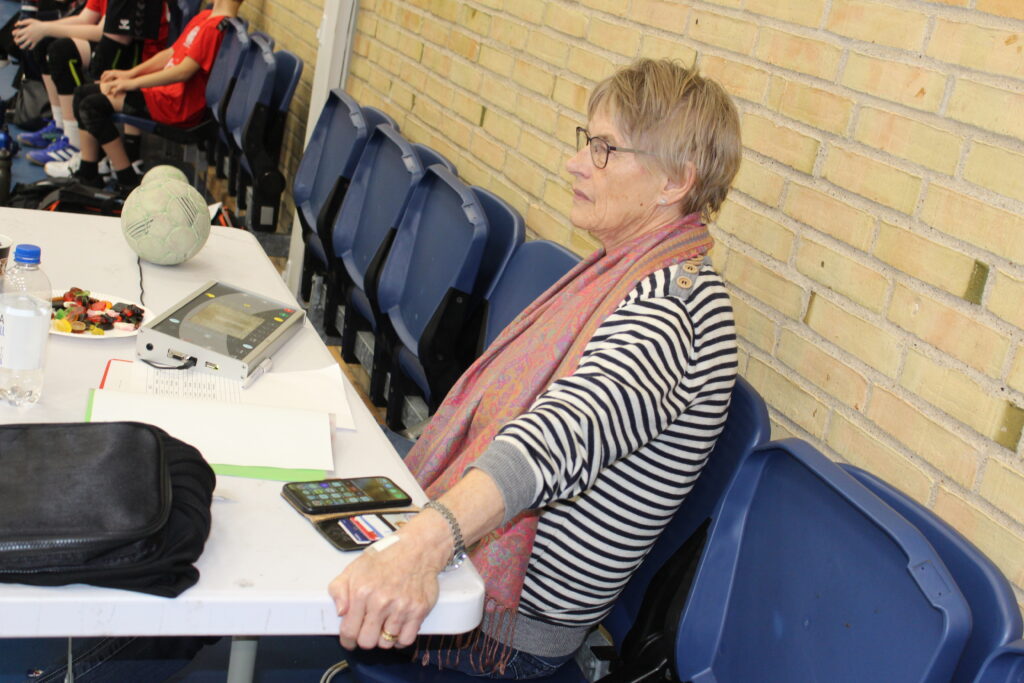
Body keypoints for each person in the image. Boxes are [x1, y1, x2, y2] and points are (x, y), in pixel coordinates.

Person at [328, 58, 742, 679]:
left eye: (604, 149)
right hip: (479, 579)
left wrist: (417, 549)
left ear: (675, 181)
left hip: (504, 625)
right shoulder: (628, 270)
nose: (576, 163)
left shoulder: (670, 312)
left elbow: (551, 444)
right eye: (586, 142)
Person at [64, 0, 238, 192]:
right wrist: (129, 74)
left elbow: (184, 71)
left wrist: (133, 83)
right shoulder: (205, 17)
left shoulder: (216, 27)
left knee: (91, 106)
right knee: (82, 93)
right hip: (165, 94)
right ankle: (88, 172)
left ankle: (127, 179)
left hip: (177, 106)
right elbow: (171, 53)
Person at [13, 0, 168, 170]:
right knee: (47, 43)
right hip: (124, 49)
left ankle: (84, 148)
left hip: (143, 58)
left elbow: (108, 33)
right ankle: (62, 128)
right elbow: (87, 19)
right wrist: (41, 29)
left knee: (83, 82)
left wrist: (45, 28)